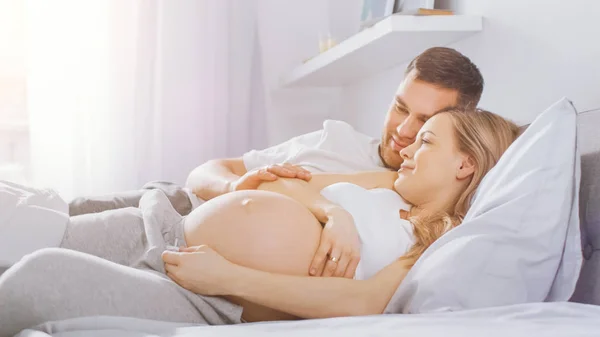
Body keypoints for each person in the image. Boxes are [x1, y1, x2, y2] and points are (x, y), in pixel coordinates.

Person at [0, 108, 518, 335]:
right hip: (168, 230)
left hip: (211, 296)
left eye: (427, 140)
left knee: (37, 278)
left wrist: (227, 279)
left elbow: (366, 304)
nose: (407, 146)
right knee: (25, 233)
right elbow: (294, 184)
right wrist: (334, 213)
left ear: (465, 164)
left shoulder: (440, 239)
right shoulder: (387, 183)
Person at [185, 47, 485, 279]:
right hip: (177, 209)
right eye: (399, 107)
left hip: (204, 267)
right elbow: (202, 173)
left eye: (425, 121)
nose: (404, 130)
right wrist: (233, 187)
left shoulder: (426, 204)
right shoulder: (335, 137)